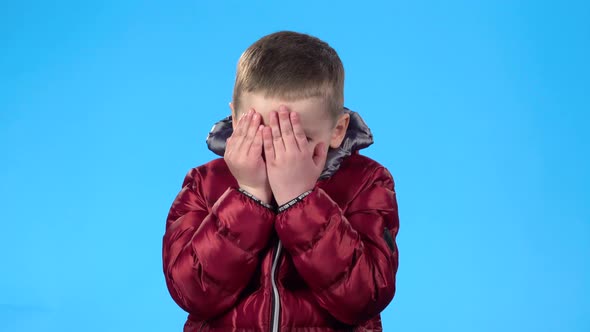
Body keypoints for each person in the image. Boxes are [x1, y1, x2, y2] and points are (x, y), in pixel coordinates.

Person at [162, 30, 400, 332]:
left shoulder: (367, 182)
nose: (281, 155)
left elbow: (366, 296)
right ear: (236, 121)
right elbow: (192, 293)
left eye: (300, 139)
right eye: (264, 136)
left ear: (337, 130)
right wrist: (247, 197)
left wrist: (300, 200)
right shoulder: (203, 184)